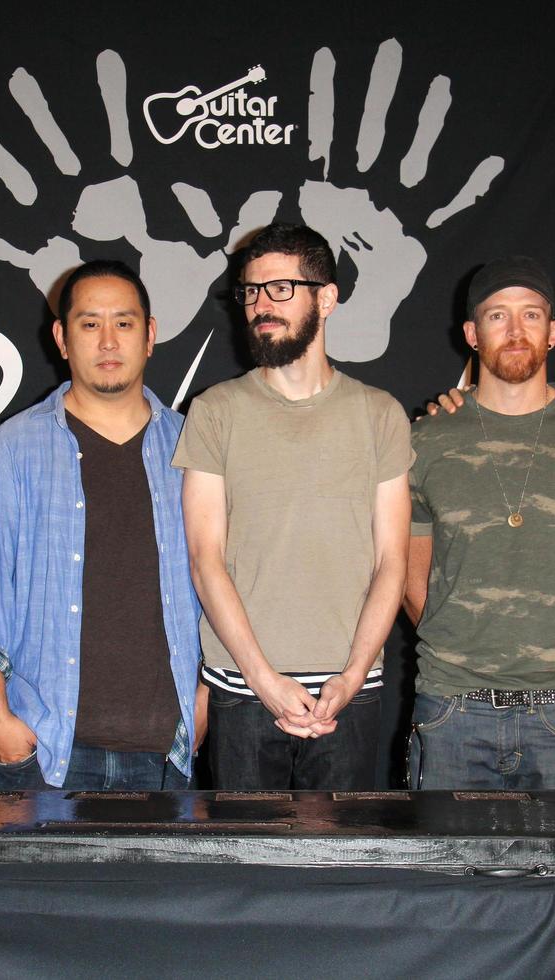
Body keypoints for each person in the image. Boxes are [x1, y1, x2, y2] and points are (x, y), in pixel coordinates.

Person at [174, 222, 412, 790]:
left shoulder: (380, 414)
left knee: (336, 870)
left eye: (280, 288)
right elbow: (206, 559)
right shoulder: (215, 411)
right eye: (251, 291)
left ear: (326, 297)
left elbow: (392, 562)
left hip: (349, 693)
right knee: (246, 865)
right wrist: (264, 681)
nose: (261, 304)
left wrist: (353, 675)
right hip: (242, 688)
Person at [0, 260, 201, 790]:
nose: (108, 340)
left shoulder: (193, 451)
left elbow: (221, 580)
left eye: (124, 323)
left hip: (165, 753)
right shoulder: (12, 449)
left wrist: (202, 700)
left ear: (150, 335)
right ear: (62, 337)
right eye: (89, 324)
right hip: (43, 753)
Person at [403, 256, 555, 800]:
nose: (515, 331)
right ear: (471, 333)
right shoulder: (425, 441)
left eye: (531, 315)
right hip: (451, 707)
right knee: (447, 882)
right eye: (497, 316)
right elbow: (411, 582)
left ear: (553, 332)